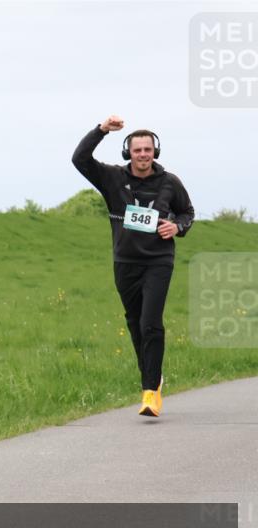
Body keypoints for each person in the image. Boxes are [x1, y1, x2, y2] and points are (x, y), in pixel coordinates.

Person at [72, 116, 195, 417]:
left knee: (151, 323)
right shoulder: (112, 178)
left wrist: (177, 227)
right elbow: (79, 159)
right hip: (125, 261)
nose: (143, 155)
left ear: (156, 152)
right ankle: (152, 375)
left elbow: (187, 212)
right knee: (135, 323)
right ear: (129, 152)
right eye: (138, 150)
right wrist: (101, 130)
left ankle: (150, 392)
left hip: (158, 261)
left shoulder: (170, 182)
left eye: (148, 150)